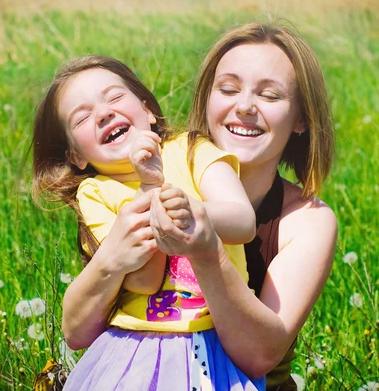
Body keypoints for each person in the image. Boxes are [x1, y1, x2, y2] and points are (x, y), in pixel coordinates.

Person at [31, 55, 264, 390]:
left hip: (218, 341)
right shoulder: (95, 193)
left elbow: (243, 221)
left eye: (113, 97)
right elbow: (144, 281)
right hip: (135, 348)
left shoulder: (191, 150)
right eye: (82, 118)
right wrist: (151, 188)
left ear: (148, 111)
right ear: (75, 156)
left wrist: (190, 211)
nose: (103, 113)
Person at [150, 22, 338, 390]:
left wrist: (206, 250)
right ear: (207, 100)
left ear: (301, 118)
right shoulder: (160, 178)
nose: (245, 106)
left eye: (270, 96)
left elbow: (259, 355)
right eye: (229, 89)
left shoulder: (308, 221)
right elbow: (81, 329)